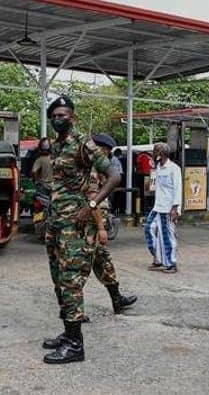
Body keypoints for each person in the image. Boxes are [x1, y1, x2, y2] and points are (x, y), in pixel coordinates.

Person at [41, 96, 121, 365]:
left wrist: (92, 204)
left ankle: (76, 345)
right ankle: (67, 333)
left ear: (72, 117)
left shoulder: (83, 143)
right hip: (57, 222)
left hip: (76, 224)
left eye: (63, 114)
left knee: (71, 281)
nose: (58, 119)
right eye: (54, 115)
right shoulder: (56, 145)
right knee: (58, 280)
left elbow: (114, 176)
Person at [84, 133, 137, 313]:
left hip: (94, 224)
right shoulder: (91, 168)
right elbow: (92, 200)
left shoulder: (98, 169)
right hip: (90, 226)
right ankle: (74, 310)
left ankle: (117, 298)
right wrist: (100, 228)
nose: (106, 157)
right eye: (105, 152)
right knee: (81, 267)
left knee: (103, 261)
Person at [144, 143, 182, 274]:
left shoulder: (174, 169)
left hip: (168, 208)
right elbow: (155, 186)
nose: (153, 154)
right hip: (157, 207)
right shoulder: (158, 168)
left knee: (167, 237)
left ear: (162, 154)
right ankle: (158, 259)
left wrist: (175, 208)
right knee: (148, 229)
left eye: (156, 152)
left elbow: (178, 189)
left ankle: (171, 263)